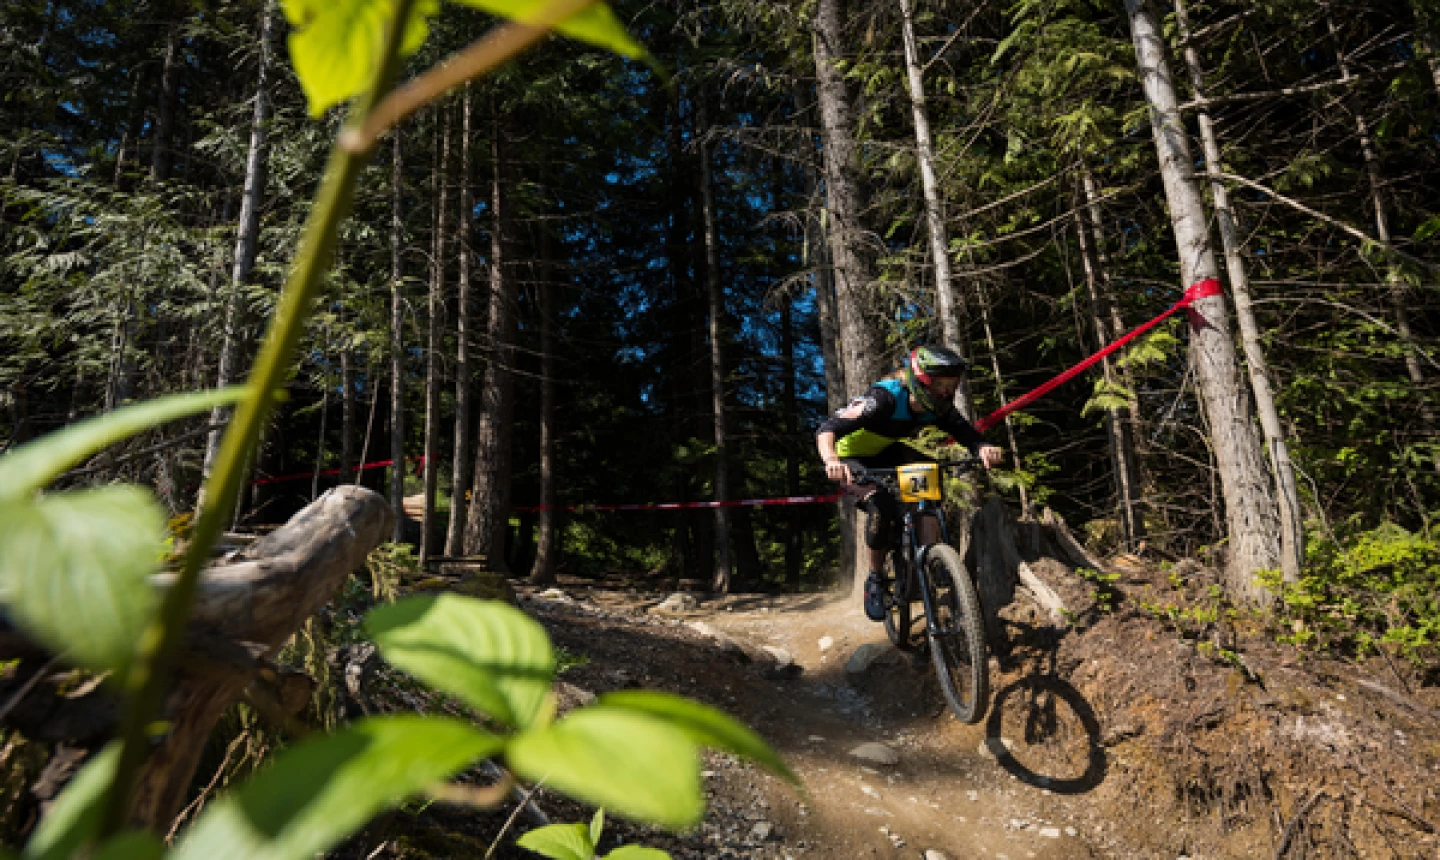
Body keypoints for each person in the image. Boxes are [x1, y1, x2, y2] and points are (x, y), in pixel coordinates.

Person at [815, 345, 1005, 621]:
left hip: (886, 450)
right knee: (880, 505)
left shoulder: (938, 406)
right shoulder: (884, 399)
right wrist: (831, 460)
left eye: (952, 383)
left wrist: (983, 447)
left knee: (930, 474)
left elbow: (966, 433)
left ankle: (929, 556)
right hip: (850, 456)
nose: (946, 390)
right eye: (940, 383)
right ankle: (876, 579)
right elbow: (827, 428)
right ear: (921, 380)